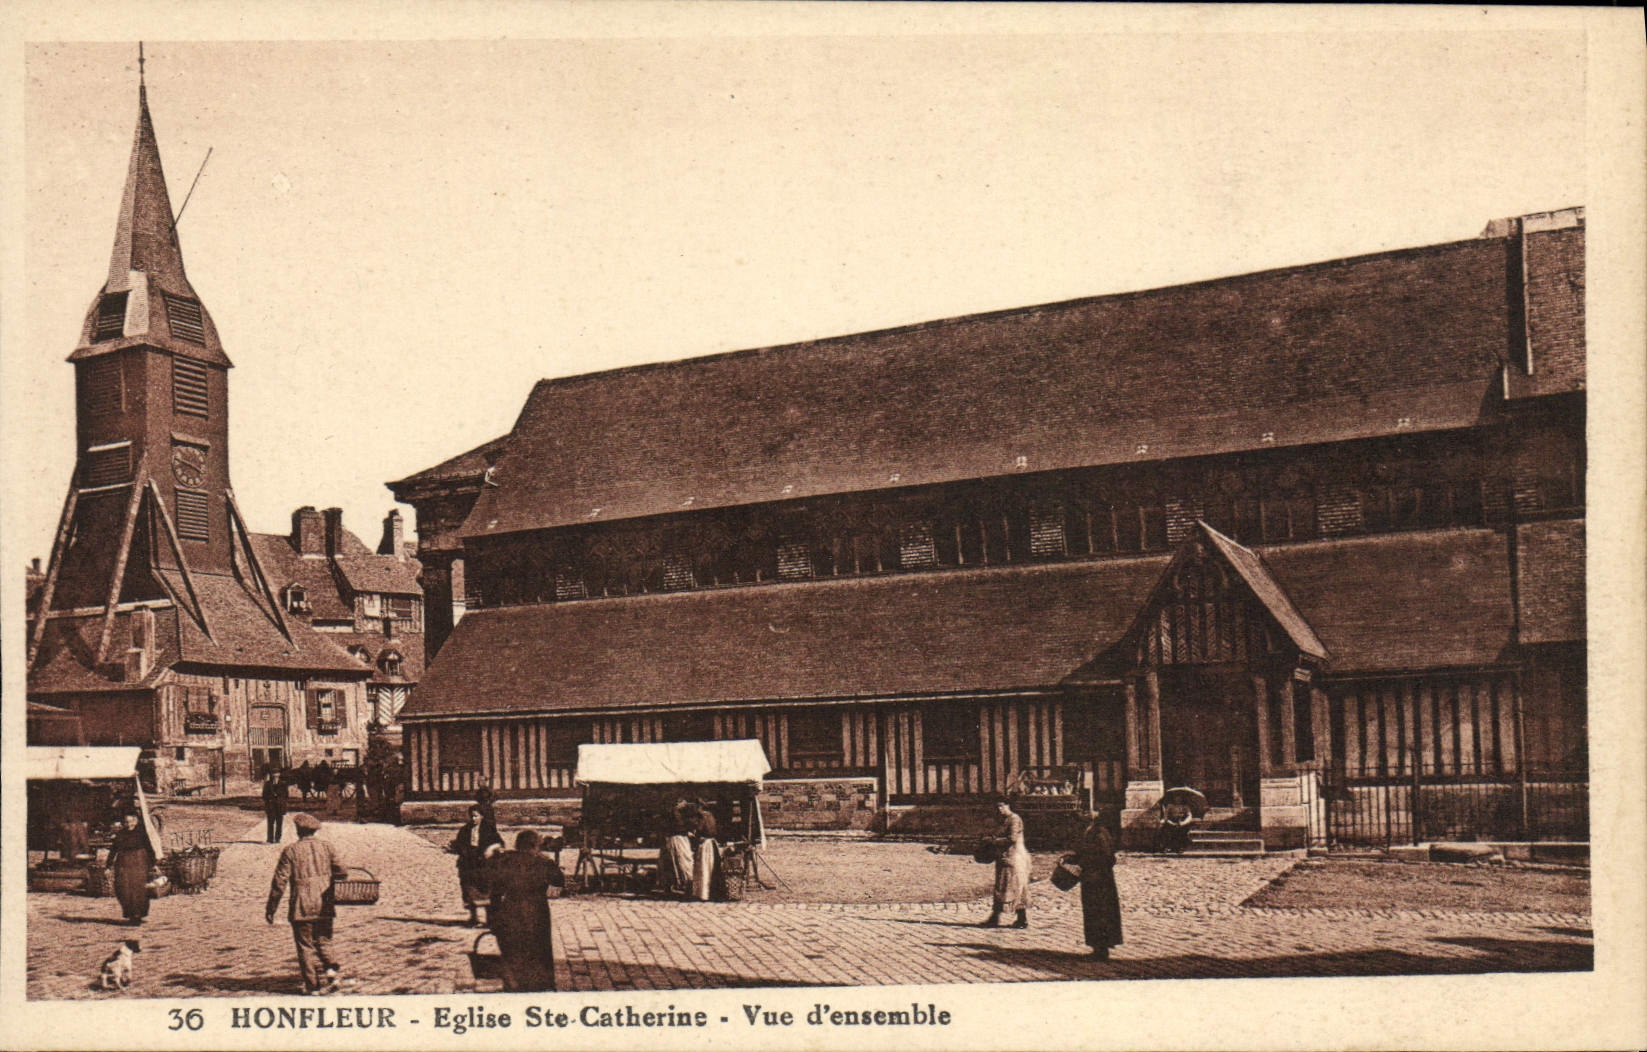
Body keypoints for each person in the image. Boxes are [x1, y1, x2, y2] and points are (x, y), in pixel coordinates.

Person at [265, 813, 348, 995]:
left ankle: (313, 986)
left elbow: (280, 882)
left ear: (298, 831)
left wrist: (271, 908)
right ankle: (332, 973)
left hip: (301, 906)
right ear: (314, 831)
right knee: (324, 941)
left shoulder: (290, 851)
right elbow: (342, 871)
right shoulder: (327, 847)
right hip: (324, 904)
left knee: (305, 946)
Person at [484, 830, 564, 991]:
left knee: (513, 947)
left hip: (512, 908)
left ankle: (515, 983)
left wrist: (493, 917)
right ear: (536, 845)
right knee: (539, 947)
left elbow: (495, 891)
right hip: (537, 909)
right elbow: (559, 882)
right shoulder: (544, 862)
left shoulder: (505, 861)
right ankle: (542, 983)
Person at [1066, 811, 1123, 959]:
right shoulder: (1088, 832)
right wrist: (1072, 858)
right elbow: (1085, 853)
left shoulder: (1099, 833)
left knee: (1100, 913)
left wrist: (1085, 863)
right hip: (1091, 879)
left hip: (1100, 881)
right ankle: (1097, 947)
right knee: (1093, 913)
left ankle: (1102, 949)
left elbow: (1107, 857)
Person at [979, 796, 1031, 929]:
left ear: (1008, 805)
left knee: (1015, 887)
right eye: (997, 807)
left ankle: (1020, 918)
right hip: (1004, 857)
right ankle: (996, 917)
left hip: (1014, 857)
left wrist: (992, 841)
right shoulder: (1003, 820)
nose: (999, 809)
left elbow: (1012, 838)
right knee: (1002, 887)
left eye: (1002, 806)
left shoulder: (1014, 819)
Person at [448, 805, 503, 926]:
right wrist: (456, 847)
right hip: (469, 863)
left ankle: (490, 919)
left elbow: (499, 843)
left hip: (484, 864)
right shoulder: (465, 830)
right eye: (472, 816)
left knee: (486, 890)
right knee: (469, 889)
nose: (473, 819)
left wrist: (491, 848)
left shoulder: (488, 829)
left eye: (476, 816)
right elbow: (460, 844)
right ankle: (474, 917)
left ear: (482, 816)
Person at [107, 810, 156, 926]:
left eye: (131, 822)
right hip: (123, 863)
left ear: (136, 821)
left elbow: (150, 849)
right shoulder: (120, 834)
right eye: (126, 822)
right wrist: (108, 866)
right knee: (124, 888)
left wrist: (153, 863)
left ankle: (138, 915)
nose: (129, 824)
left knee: (139, 889)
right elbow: (113, 850)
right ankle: (130, 914)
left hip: (139, 863)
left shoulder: (142, 834)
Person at [690, 800, 726, 902]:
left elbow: (699, 829)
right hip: (713, 844)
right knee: (712, 867)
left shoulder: (702, 817)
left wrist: (694, 833)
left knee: (704, 868)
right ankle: (714, 892)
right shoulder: (711, 815)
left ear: (699, 807)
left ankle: (703, 894)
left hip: (705, 845)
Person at [262, 770, 288, 844]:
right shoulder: (267, 784)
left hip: (279, 806)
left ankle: (277, 838)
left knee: (279, 823)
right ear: (272, 775)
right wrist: (270, 799)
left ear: (279, 775)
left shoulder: (283, 784)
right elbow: (264, 796)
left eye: (277, 774)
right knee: (270, 823)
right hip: (271, 806)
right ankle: (270, 839)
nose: (275, 776)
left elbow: (286, 795)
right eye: (274, 774)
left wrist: (281, 800)